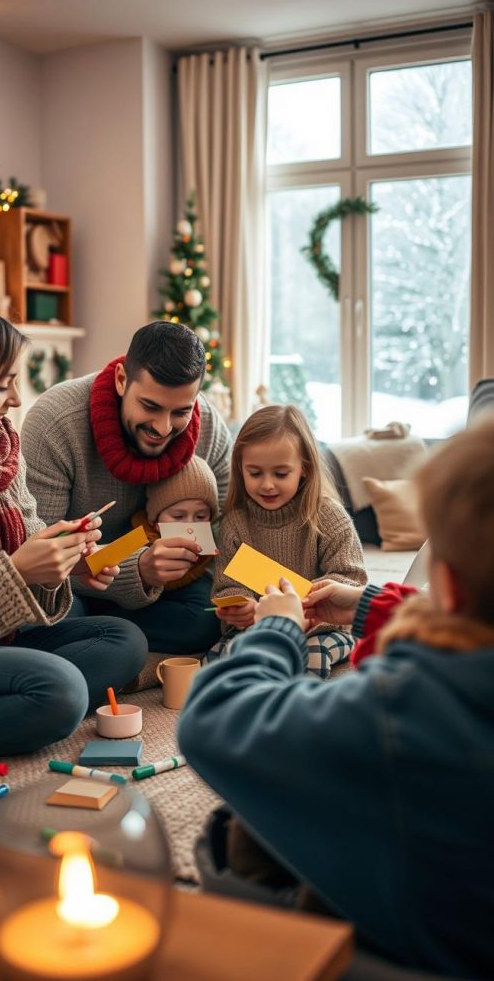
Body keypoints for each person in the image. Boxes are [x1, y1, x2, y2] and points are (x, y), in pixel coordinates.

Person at [179, 417, 494, 979]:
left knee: (236, 837)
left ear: (444, 581)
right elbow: (226, 581)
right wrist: (371, 603)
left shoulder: (401, 707)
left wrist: (274, 632)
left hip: (430, 945)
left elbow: (211, 722)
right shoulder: (236, 523)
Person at [0, 279, 147, 758]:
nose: (16, 400)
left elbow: (31, 531)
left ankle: (3, 696)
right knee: (62, 691)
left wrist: (69, 560)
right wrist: (18, 572)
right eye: (2, 385)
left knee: (123, 639)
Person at [21, 321, 232, 656]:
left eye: (180, 411)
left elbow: (223, 531)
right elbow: (36, 553)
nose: (163, 428)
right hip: (70, 583)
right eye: (150, 406)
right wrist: (139, 568)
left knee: (205, 619)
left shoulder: (209, 428)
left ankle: (110, 640)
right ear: (122, 380)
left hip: (160, 587)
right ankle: (113, 643)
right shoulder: (55, 422)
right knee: (47, 615)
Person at [211, 404, 366, 677]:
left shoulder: (328, 516)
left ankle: (295, 711)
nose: (267, 485)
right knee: (220, 657)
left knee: (312, 656)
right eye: (255, 473)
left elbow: (353, 580)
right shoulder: (235, 522)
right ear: (240, 469)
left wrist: (307, 615)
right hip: (261, 628)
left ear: (304, 468)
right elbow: (226, 588)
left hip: (323, 630)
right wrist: (241, 608)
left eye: (281, 474)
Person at [131, 455, 219, 591]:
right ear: (155, 521)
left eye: (200, 516)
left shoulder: (214, 545)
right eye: (178, 516)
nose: (190, 525)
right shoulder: (136, 541)